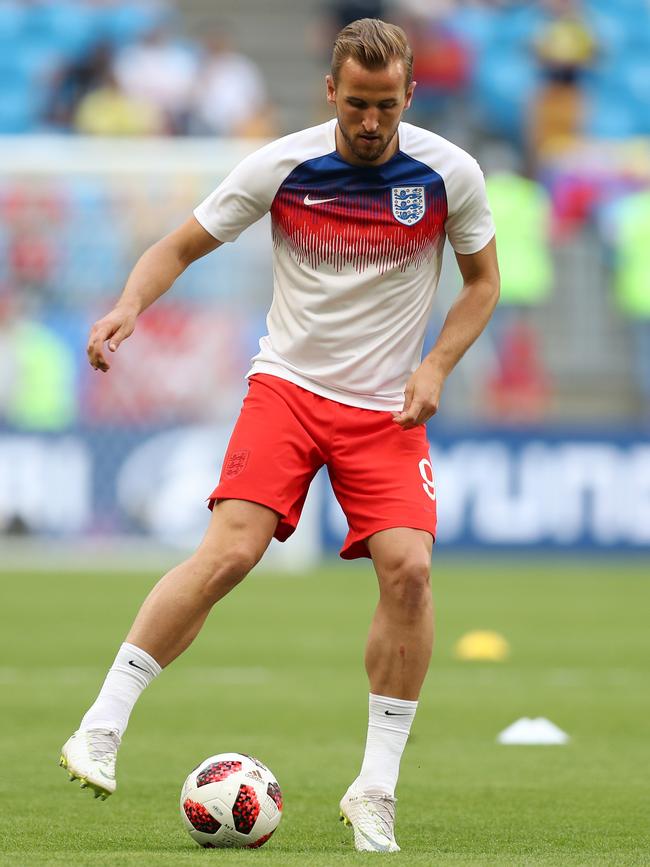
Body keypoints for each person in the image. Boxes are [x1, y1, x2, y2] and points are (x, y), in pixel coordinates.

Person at [60, 18, 499, 853]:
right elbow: (180, 244)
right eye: (358, 105)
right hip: (288, 392)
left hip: (385, 409)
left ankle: (375, 789)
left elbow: (482, 284)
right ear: (330, 93)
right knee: (229, 551)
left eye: (388, 106)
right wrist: (127, 306)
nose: (371, 123)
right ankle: (103, 724)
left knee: (409, 571)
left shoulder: (451, 175)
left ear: (410, 95)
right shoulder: (282, 165)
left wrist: (437, 364)